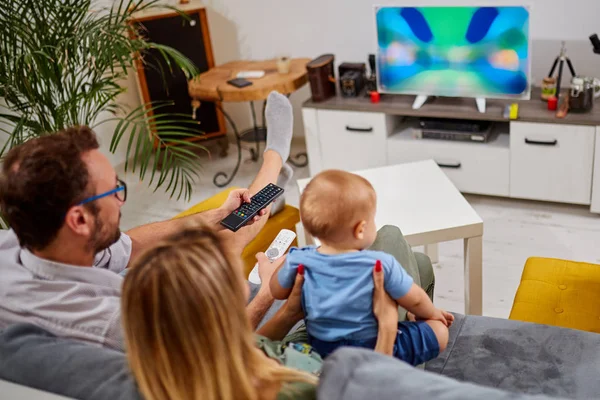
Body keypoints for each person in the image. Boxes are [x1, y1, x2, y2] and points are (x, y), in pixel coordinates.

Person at [0, 92, 297, 350]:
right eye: (116, 191)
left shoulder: (19, 244)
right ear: (78, 220)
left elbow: (128, 246)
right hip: (196, 326)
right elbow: (221, 356)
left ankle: (272, 170)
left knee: (226, 229)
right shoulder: (113, 324)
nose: (123, 200)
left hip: (140, 291)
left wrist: (216, 216)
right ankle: (273, 162)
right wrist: (270, 295)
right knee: (236, 247)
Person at [121, 225, 400, 400]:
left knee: (414, 265)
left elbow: (246, 345)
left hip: (290, 353)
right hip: (352, 366)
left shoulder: (178, 365)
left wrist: (288, 313)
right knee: (390, 237)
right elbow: (372, 388)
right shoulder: (292, 392)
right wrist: (387, 325)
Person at [270, 169, 454, 364]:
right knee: (439, 331)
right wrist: (433, 314)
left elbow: (277, 290)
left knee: (421, 263)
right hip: (374, 344)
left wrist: (281, 269)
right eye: (372, 219)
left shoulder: (299, 259)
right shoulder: (380, 264)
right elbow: (415, 299)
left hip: (322, 348)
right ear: (360, 229)